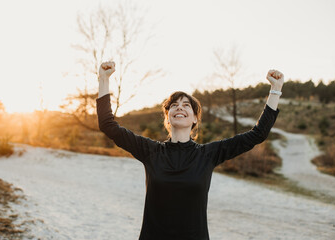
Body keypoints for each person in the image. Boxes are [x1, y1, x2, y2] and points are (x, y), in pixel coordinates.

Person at [96, 61, 283, 240]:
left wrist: (275, 90)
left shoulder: (208, 154)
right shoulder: (151, 152)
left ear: (195, 118)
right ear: (168, 118)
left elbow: (257, 134)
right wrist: (103, 80)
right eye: (174, 105)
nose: (179, 107)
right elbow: (107, 125)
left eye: (186, 105)